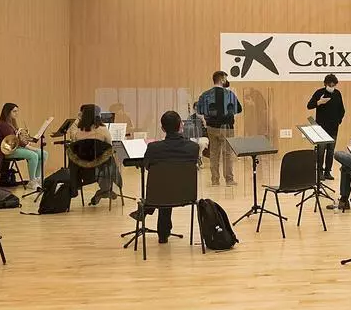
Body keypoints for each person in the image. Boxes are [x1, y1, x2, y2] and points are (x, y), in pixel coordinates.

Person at [128, 111, 200, 243]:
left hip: (159, 195)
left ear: (162, 128)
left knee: (164, 185)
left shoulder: (153, 148)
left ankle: (157, 225)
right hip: (186, 194)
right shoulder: (193, 147)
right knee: (171, 183)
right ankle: (162, 230)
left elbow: (147, 166)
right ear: (181, 125)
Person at [196, 71, 243, 187]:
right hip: (227, 128)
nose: (226, 80)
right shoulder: (229, 94)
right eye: (225, 78)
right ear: (222, 79)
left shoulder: (205, 95)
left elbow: (199, 110)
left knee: (214, 153)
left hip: (211, 128)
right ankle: (229, 180)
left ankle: (215, 180)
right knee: (227, 154)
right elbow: (239, 109)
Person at [69, 104, 123, 205]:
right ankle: (104, 191)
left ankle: (104, 191)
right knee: (108, 160)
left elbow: (74, 143)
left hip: (84, 173)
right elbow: (109, 146)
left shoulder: (79, 132)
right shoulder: (103, 130)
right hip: (101, 171)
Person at [0, 103, 48, 190]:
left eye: (17, 111)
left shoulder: (11, 123)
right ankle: (32, 181)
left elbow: (17, 139)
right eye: (14, 111)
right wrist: (28, 146)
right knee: (33, 155)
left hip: (16, 148)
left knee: (44, 153)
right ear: (7, 112)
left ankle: (38, 178)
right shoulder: (3, 125)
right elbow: (13, 141)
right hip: (8, 151)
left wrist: (26, 139)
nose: (17, 113)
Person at [306, 74, 345, 180]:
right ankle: (319, 172)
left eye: (333, 85)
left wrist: (339, 121)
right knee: (321, 150)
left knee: (331, 150)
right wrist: (319, 102)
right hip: (321, 127)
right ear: (325, 84)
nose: (331, 87)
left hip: (334, 128)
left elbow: (342, 110)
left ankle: (328, 172)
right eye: (330, 85)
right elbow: (309, 105)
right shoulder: (319, 93)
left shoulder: (337, 93)